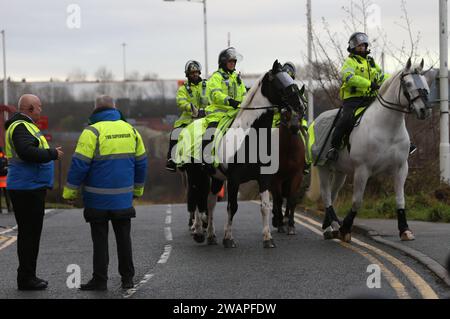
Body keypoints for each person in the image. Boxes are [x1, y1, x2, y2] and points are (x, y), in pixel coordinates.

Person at [63, 95, 147, 290]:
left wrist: (70, 193)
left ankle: (100, 280)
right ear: (115, 108)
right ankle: (127, 279)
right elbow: (141, 163)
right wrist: (137, 190)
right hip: (123, 199)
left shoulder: (91, 131)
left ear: (95, 110)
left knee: (100, 240)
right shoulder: (131, 130)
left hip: (97, 199)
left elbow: (79, 165)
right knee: (124, 238)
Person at [5, 94, 63, 290]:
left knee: (30, 234)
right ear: (30, 108)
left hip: (29, 186)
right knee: (29, 234)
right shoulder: (21, 126)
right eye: (39, 107)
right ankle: (26, 279)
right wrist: (52, 154)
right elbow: (26, 152)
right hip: (26, 188)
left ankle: (29, 276)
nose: (41, 110)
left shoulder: (24, 125)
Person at [326, 32, 388, 161]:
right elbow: (348, 77)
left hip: (371, 99)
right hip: (353, 100)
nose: (362, 48)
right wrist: (369, 84)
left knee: (390, 115)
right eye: (359, 45)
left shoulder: (371, 62)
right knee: (345, 120)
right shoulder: (350, 62)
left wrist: (392, 80)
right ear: (353, 47)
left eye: (363, 45)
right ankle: (334, 148)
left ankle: (403, 144)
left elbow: (381, 76)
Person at [202, 47, 247, 171]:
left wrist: (245, 102)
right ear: (223, 62)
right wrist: (229, 100)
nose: (232, 64)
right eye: (230, 61)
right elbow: (216, 94)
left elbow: (244, 94)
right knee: (211, 132)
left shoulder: (237, 78)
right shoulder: (216, 77)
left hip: (235, 112)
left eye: (234, 62)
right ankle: (206, 159)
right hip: (218, 114)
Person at [166, 60, 209, 172]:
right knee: (175, 134)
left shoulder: (207, 85)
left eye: (196, 72)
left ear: (199, 73)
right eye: (192, 73)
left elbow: (214, 98)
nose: (194, 75)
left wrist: (207, 110)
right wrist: (191, 108)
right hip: (188, 119)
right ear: (187, 74)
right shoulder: (183, 89)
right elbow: (180, 101)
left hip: (206, 118)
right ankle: (171, 159)